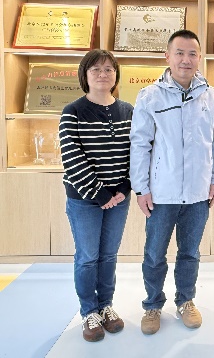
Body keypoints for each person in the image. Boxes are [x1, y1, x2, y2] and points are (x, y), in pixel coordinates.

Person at [130, 29, 214, 335]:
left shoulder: (212, 97)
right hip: (162, 193)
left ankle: (186, 300)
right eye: (180, 53)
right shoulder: (150, 96)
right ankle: (152, 305)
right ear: (168, 57)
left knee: (190, 252)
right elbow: (140, 144)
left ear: (199, 57)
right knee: (154, 254)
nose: (186, 59)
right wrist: (141, 188)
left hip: (198, 193)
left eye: (192, 54)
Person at [60, 49, 133, 342]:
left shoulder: (128, 110)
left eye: (108, 69)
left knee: (109, 255)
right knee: (88, 257)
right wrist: (100, 193)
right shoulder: (73, 111)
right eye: (96, 70)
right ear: (85, 75)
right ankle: (89, 312)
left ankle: (105, 306)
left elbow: (138, 152)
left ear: (116, 75)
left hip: (119, 197)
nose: (103, 74)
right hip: (84, 198)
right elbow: (72, 157)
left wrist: (125, 188)